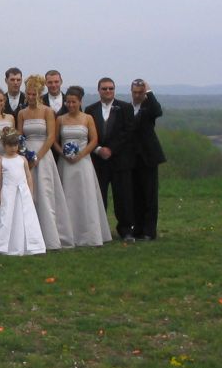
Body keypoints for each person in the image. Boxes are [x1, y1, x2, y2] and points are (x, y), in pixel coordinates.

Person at [18, 75, 72, 249]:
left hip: (44, 156)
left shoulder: (48, 112)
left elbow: (50, 137)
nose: (31, 97)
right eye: (28, 94)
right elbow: (20, 137)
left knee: (45, 193)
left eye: (34, 94)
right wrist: (25, 155)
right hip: (27, 156)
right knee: (30, 195)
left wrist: (37, 157)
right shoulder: (22, 113)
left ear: (39, 94)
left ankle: (51, 237)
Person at [0, 127, 46, 256]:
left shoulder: (22, 159)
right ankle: (1, 245)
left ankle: (31, 245)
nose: (13, 148)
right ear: (4, 145)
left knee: (25, 217)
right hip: (8, 193)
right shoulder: (1, 161)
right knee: (6, 217)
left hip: (23, 193)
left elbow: (28, 176)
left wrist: (30, 192)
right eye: (10, 145)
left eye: (15, 145)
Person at [57, 86, 112, 246]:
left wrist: (81, 155)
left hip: (83, 161)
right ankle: (68, 233)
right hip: (65, 163)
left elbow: (94, 140)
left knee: (85, 195)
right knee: (67, 195)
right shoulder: (60, 119)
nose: (70, 105)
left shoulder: (87, 118)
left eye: (73, 102)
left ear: (80, 102)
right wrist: (63, 154)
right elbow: (54, 141)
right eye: (68, 102)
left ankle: (89, 234)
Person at [86, 78, 136, 241]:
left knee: (123, 196)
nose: (108, 91)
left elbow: (128, 132)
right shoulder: (90, 109)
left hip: (120, 160)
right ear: (98, 90)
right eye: (104, 89)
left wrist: (111, 149)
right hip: (98, 160)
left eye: (110, 88)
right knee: (99, 195)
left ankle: (126, 229)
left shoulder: (125, 108)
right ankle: (100, 229)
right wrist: (98, 149)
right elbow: (87, 133)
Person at [130, 79, 166, 241]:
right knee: (135, 195)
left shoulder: (149, 107)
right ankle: (137, 228)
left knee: (149, 195)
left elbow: (158, 111)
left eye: (140, 92)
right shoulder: (127, 108)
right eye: (135, 92)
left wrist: (149, 92)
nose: (137, 95)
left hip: (148, 157)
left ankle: (149, 231)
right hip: (132, 158)